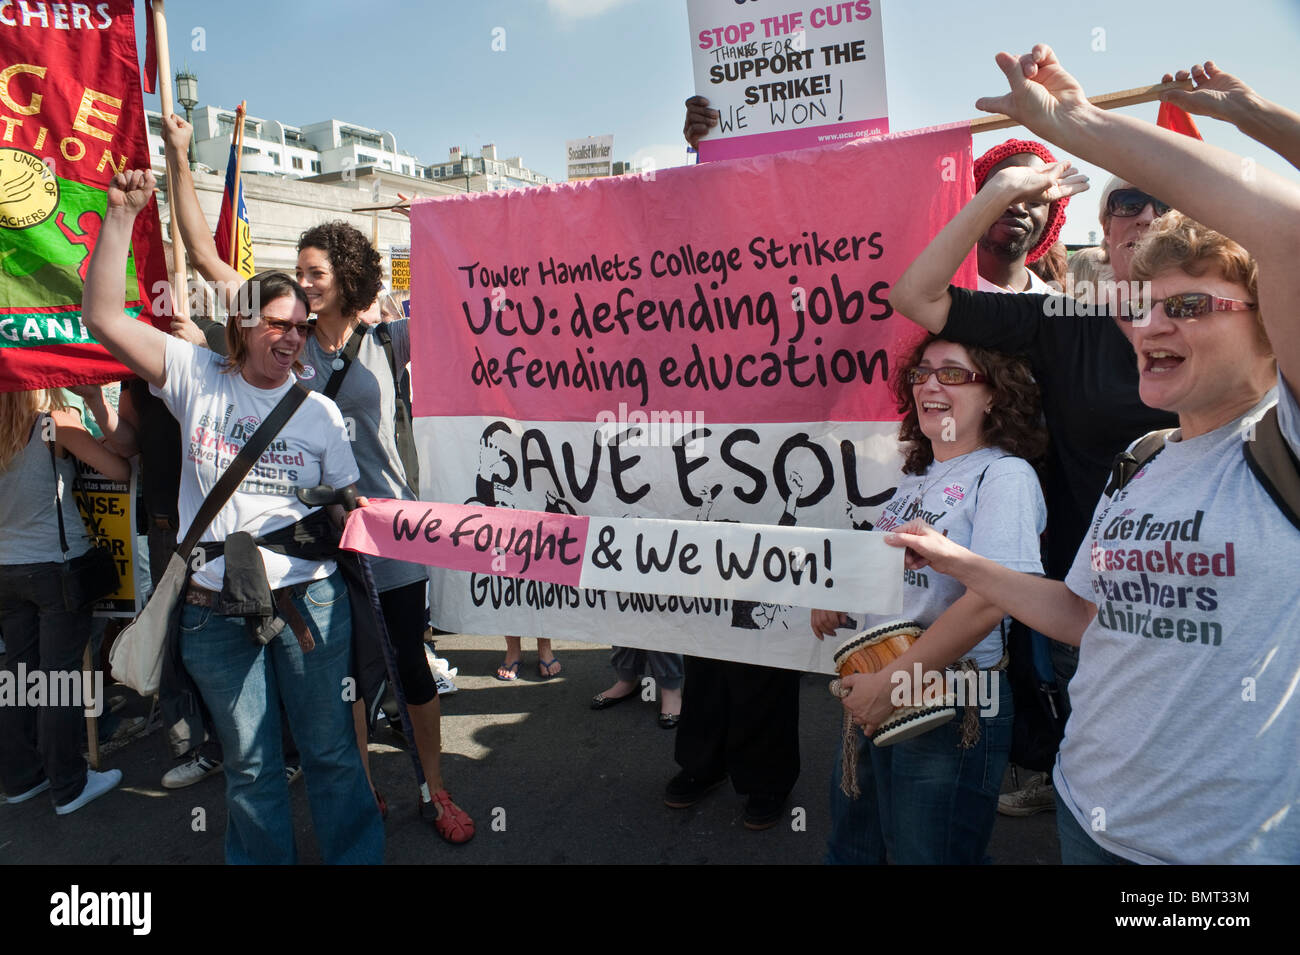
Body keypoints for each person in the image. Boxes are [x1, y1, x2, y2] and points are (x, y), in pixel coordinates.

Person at [884, 45, 1300, 864]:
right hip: (1087, 819)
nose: (1148, 327)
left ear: (1269, 320)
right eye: (1140, 309)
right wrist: (958, 559)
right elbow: (1082, 615)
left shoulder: (1284, 439)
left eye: (1185, 305)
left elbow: (1284, 227)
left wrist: (1080, 124)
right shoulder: (1140, 457)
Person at [162, 116, 473, 843]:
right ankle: (358, 794)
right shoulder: (275, 328)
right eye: (295, 274)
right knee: (345, 689)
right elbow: (204, 250)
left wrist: (434, 230)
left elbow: (464, 310)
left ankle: (436, 786)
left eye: (314, 274)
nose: (299, 285)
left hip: (386, 530)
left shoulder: (386, 333)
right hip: (311, 543)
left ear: (348, 279)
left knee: (409, 669)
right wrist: (179, 154)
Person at [82, 167, 384, 864]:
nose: (293, 339)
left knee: (332, 752)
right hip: (211, 610)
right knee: (250, 768)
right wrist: (122, 216)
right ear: (244, 322)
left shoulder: (323, 414)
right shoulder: (193, 376)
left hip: (308, 605)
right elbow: (102, 316)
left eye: (302, 329)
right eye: (279, 324)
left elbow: (344, 509)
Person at [810, 335, 1047, 864]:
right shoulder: (916, 476)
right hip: (877, 684)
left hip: (951, 698)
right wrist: (844, 594)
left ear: (994, 394)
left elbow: (993, 599)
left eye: (953, 374)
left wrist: (893, 687)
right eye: (921, 374)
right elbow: (901, 574)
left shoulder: (1005, 475)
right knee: (854, 848)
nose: (930, 384)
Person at [0, 388, 129, 814]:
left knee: (17, 675)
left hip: (6, 570)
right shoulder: (55, 423)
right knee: (61, 679)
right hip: (55, 567)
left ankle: (21, 777)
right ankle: (69, 784)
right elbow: (118, 471)